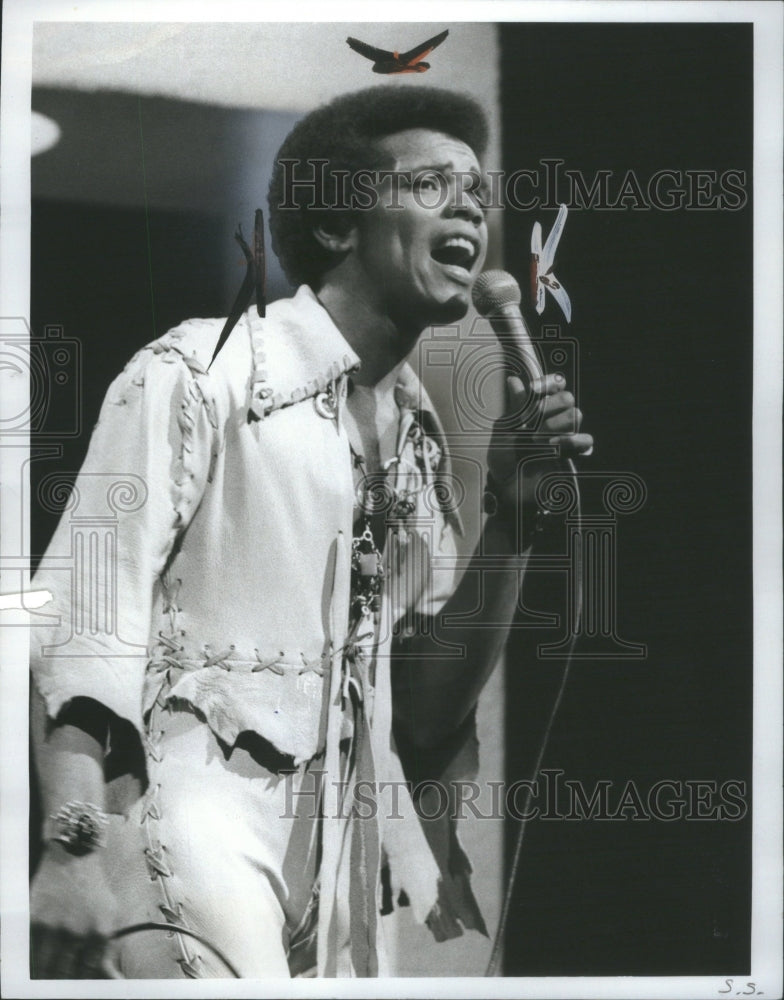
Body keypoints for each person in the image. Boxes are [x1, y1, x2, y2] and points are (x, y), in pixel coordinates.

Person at [29, 85, 592, 979]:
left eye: (477, 192)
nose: (470, 209)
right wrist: (71, 845)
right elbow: (83, 616)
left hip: (345, 861)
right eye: (433, 184)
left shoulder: (417, 440)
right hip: (196, 819)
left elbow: (427, 709)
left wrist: (511, 524)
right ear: (337, 227)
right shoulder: (201, 372)